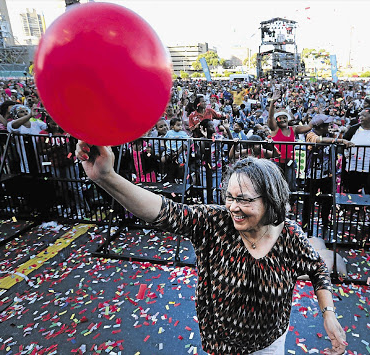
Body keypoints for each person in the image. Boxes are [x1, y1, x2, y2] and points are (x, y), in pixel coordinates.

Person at [75, 144, 347, 355]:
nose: (233, 207)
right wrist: (106, 177)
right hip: (221, 345)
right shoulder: (214, 223)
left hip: (270, 345)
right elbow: (162, 211)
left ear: (271, 200)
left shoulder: (290, 235)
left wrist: (329, 314)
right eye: (229, 197)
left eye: (243, 199)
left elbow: (317, 268)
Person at [302, 114, 353, 235]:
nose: (329, 126)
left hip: (327, 174)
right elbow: (320, 141)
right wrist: (339, 140)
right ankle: (305, 223)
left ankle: (325, 221)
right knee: (309, 199)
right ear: (320, 126)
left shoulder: (329, 134)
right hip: (313, 174)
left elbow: (341, 132)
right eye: (327, 125)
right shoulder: (310, 134)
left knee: (328, 199)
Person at [268, 90, 313, 191]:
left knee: (290, 186)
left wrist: (315, 116)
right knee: (276, 186)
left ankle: (290, 204)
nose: (283, 120)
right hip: (276, 162)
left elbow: (309, 127)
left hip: (290, 161)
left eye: (284, 118)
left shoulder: (294, 129)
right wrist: (272, 103)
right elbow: (270, 117)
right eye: (280, 118)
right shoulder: (275, 129)